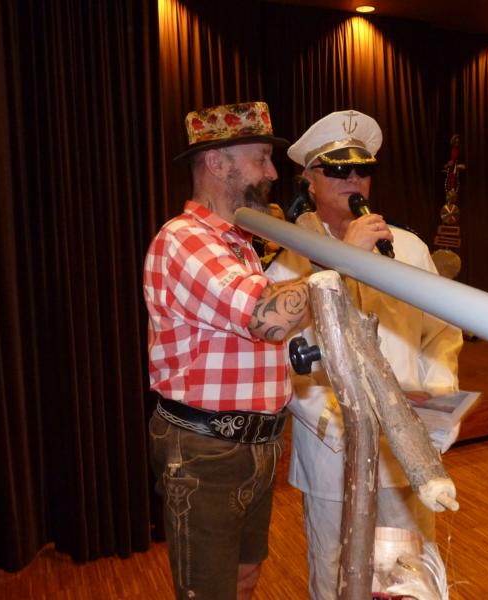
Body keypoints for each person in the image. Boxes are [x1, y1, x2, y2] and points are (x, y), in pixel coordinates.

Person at [267, 109, 463, 599]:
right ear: (309, 180)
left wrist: (437, 398)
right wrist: (338, 422)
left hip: (404, 452)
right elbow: (281, 358)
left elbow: (441, 333)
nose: (353, 179)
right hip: (333, 452)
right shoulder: (289, 263)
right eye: (338, 169)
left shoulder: (408, 248)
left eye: (363, 169)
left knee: (409, 574)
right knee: (337, 573)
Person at [143, 101, 310, 600]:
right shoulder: (184, 239)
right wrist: (345, 264)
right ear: (217, 163)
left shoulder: (235, 241)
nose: (272, 173)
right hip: (207, 453)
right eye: (261, 159)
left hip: (254, 445)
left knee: (245, 576)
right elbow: (268, 319)